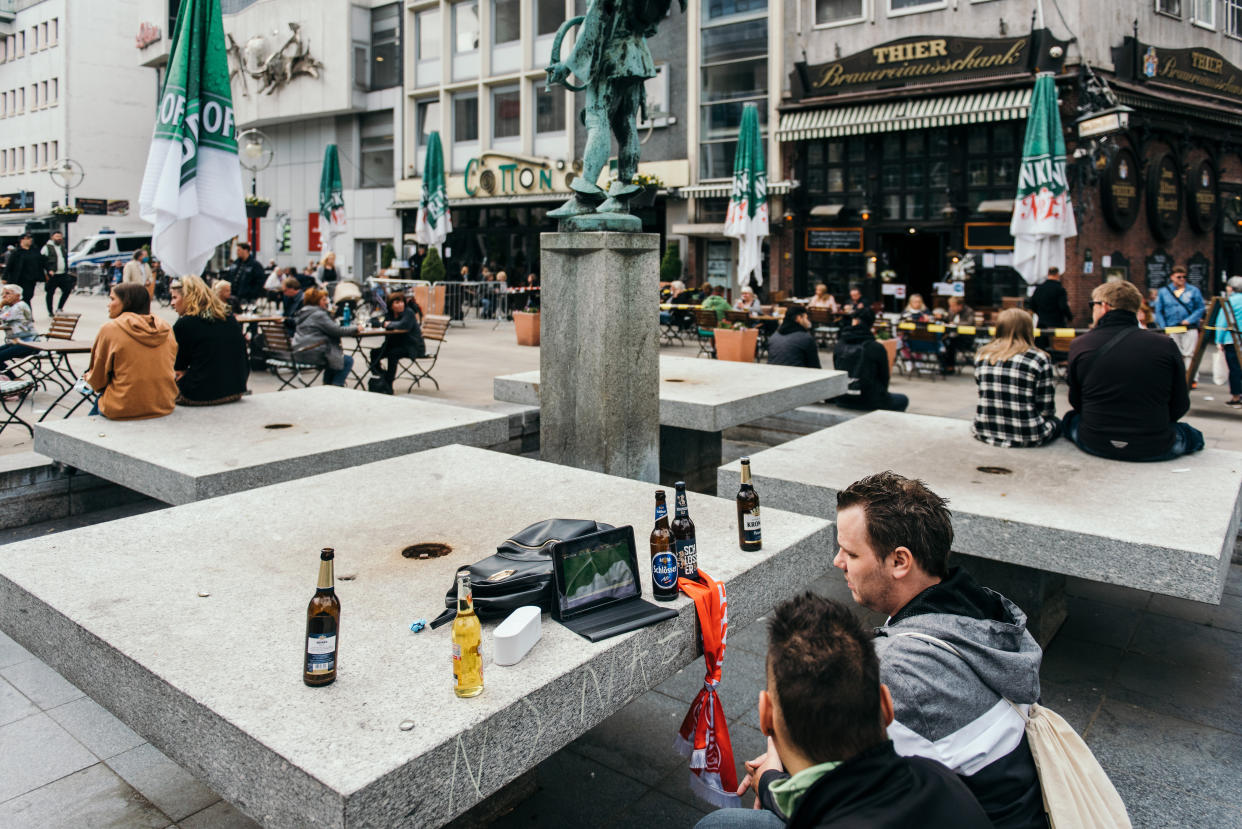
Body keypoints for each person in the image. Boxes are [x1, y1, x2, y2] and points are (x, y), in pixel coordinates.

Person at [833, 472, 1045, 829]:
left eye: (851, 552)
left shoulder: (896, 670)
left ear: (900, 561)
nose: (838, 562)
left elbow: (841, 794)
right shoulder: (985, 613)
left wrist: (773, 777)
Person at [697, 594, 993, 829]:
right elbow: (826, 798)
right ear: (886, 706)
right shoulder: (935, 775)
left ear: (765, 718)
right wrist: (770, 781)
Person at [1064, 280, 1204, 461]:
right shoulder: (1165, 345)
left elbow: (1076, 401)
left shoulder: (1080, 344)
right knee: (1193, 435)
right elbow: (1180, 404)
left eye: (1093, 305)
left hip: (1094, 441)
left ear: (1104, 307)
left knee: (1069, 420)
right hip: (1154, 444)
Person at [84, 283, 178, 420]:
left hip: (122, 407)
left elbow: (98, 380)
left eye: (112, 299)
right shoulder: (165, 328)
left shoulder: (110, 329)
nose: (108, 305)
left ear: (126, 302)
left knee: (98, 403)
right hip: (163, 404)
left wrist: (88, 377)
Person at [972, 308, 1059, 447]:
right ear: (1028, 329)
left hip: (985, 430)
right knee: (1061, 422)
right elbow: (1046, 408)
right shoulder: (1039, 358)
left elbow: (984, 393)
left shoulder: (982, 356)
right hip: (1029, 435)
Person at [169, 276, 249, 406]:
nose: (172, 303)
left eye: (174, 298)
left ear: (188, 297)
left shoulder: (184, 324)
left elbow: (179, 368)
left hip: (200, 395)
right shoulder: (227, 316)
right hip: (236, 390)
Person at [832, 310, 908, 412]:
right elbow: (884, 378)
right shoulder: (876, 347)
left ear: (854, 322)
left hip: (842, 397)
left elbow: (837, 369)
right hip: (869, 400)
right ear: (871, 325)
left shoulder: (839, 345)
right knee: (903, 399)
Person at [292, 286, 358, 387]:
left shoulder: (304, 312)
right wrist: (356, 328)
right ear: (316, 301)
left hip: (299, 352)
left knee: (334, 358)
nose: (327, 302)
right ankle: (336, 387)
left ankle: (327, 385)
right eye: (323, 300)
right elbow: (337, 331)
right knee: (346, 360)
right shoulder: (318, 315)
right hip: (311, 353)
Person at [367, 292, 426, 394]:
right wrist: (382, 323)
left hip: (411, 346)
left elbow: (403, 325)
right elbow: (374, 321)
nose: (400, 305)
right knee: (374, 353)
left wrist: (388, 324)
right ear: (391, 305)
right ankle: (381, 376)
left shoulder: (409, 313)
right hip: (394, 344)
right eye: (397, 302)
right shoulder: (389, 314)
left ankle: (389, 384)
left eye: (402, 302)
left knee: (392, 354)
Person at [1153, 265, 1206, 374]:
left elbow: (1200, 308)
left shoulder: (1193, 290)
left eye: (1184, 277)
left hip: (1189, 326)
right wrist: (1163, 327)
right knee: (1175, 352)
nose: (1182, 279)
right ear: (1172, 277)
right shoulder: (1164, 292)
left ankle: (1190, 377)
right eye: (1179, 277)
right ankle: (1178, 376)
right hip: (1172, 326)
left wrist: (1190, 319)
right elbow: (1159, 310)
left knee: (1189, 353)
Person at [1214, 275, 1242, 408]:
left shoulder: (1229, 301)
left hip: (1232, 339)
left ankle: (1236, 396)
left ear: (1231, 288)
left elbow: (1222, 322)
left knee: (1235, 368)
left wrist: (1218, 340)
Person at [0, 284, 39, 375]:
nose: (4, 296)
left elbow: (1, 319)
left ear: (17, 296)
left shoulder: (20, 306)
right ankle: (12, 378)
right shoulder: (10, 307)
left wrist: (1, 304)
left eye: (7, 293)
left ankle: (13, 378)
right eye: (3, 294)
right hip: (17, 342)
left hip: (30, 344)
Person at [5, 233, 45, 308]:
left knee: (28, 296)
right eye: (28, 238)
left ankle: (25, 315)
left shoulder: (34, 251)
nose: (30, 240)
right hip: (18, 279)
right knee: (22, 298)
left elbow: (42, 262)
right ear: (22, 240)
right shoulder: (16, 252)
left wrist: (48, 271)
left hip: (31, 279)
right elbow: (9, 265)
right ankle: (27, 315)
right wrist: (4, 278)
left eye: (31, 238)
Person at [939, 296, 975, 375]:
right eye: (950, 306)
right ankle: (943, 366)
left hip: (965, 338)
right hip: (951, 336)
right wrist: (941, 318)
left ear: (960, 306)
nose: (951, 308)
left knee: (951, 344)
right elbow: (947, 320)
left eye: (952, 306)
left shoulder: (969, 311)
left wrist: (956, 324)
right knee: (941, 342)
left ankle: (950, 367)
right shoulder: (951, 311)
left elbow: (969, 323)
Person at [42, 230, 74, 315]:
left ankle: (60, 308)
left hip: (62, 273)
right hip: (52, 275)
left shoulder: (63, 247)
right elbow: (42, 261)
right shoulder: (47, 248)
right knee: (50, 293)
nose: (59, 238)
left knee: (67, 289)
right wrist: (48, 270)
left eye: (60, 237)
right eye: (57, 237)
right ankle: (50, 311)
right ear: (52, 237)